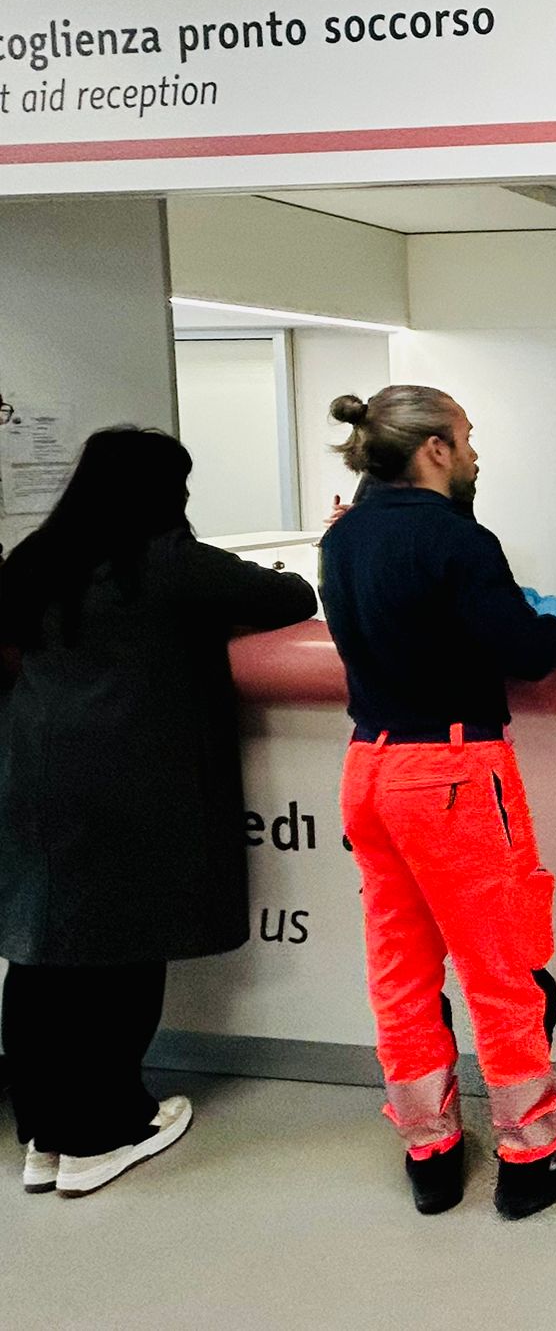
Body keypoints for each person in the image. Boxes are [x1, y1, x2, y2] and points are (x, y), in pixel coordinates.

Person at [319, 386, 556, 1220]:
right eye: (465, 438)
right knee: (501, 970)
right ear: (434, 449)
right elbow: (528, 654)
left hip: (369, 769)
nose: (474, 453)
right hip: (452, 775)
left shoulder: (344, 536)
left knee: (401, 970)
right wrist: (551, 617)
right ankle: (535, 1151)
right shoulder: (457, 539)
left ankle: (429, 1147)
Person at [0, 428, 315, 1198]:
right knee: (120, 957)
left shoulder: (37, 559)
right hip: (125, 785)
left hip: (34, 776)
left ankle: (44, 1136)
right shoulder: (166, 561)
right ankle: (103, 1132)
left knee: (40, 957)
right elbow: (291, 598)